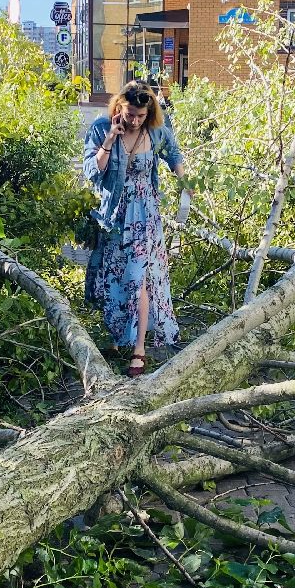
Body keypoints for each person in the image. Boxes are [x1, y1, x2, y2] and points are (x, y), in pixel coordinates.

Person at [83, 82, 186, 377]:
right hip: (114, 215)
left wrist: (185, 185)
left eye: (141, 115)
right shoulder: (102, 127)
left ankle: (139, 348)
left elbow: (173, 152)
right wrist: (110, 140)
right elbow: (92, 172)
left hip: (145, 215)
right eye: (130, 114)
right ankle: (119, 337)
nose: (135, 120)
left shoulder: (154, 131)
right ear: (119, 107)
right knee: (113, 275)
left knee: (138, 278)